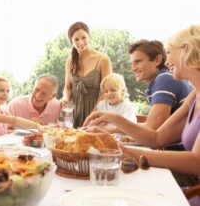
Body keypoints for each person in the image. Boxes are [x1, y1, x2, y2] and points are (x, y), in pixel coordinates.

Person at [84, 26, 200, 206]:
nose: (167, 61)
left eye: (169, 52)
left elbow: (196, 162)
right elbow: (157, 138)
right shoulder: (195, 94)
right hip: (187, 176)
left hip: (193, 188)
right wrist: (113, 124)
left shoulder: (165, 79)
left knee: (123, 184)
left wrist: (128, 151)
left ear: (188, 50)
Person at [128, 39, 192, 130]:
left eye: (138, 62)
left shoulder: (165, 79)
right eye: (131, 64)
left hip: (181, 144)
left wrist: (115, 127)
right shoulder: (162, 79)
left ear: (157, 60)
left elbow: (153, 128)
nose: (133, 68)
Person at [63, 21, 112, 128]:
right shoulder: (70, 61)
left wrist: (93, 114)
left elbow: (106, 91)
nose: (81, 42)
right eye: (76, 39)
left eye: (83, 37)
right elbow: (67, 87)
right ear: (71, 41)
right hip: (74, 112)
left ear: (88, 37)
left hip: (96, 111)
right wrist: (66, 100)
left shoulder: (103, 60)